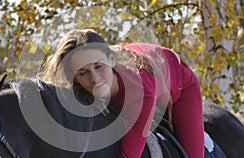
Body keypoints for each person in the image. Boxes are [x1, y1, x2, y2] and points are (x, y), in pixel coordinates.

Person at [42, 29, 204, 158]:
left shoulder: (140, 93)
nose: (94, 79)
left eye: (99, 66)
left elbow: (129, 156)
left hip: (180, 84)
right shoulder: (78, 89)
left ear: (111, 60)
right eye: (83, 73)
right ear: (75, 78)